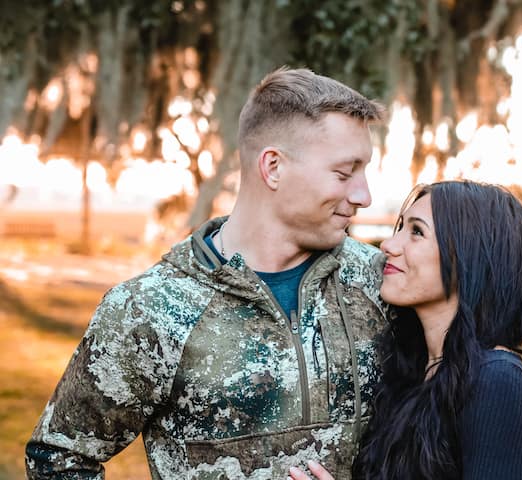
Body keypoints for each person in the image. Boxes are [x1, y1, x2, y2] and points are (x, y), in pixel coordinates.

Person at [26, 67, 387, 479]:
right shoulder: (149, 309)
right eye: (344, 173)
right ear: (273, 167)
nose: (363, 195)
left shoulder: (381, 281)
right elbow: (58, 460)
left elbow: (437, 427)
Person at [289, 180, 522, 480]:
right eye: (401, 228)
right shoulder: (412, 368)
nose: (389, 245)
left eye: (417, 232)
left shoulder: (496, 379)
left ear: (468, 256)